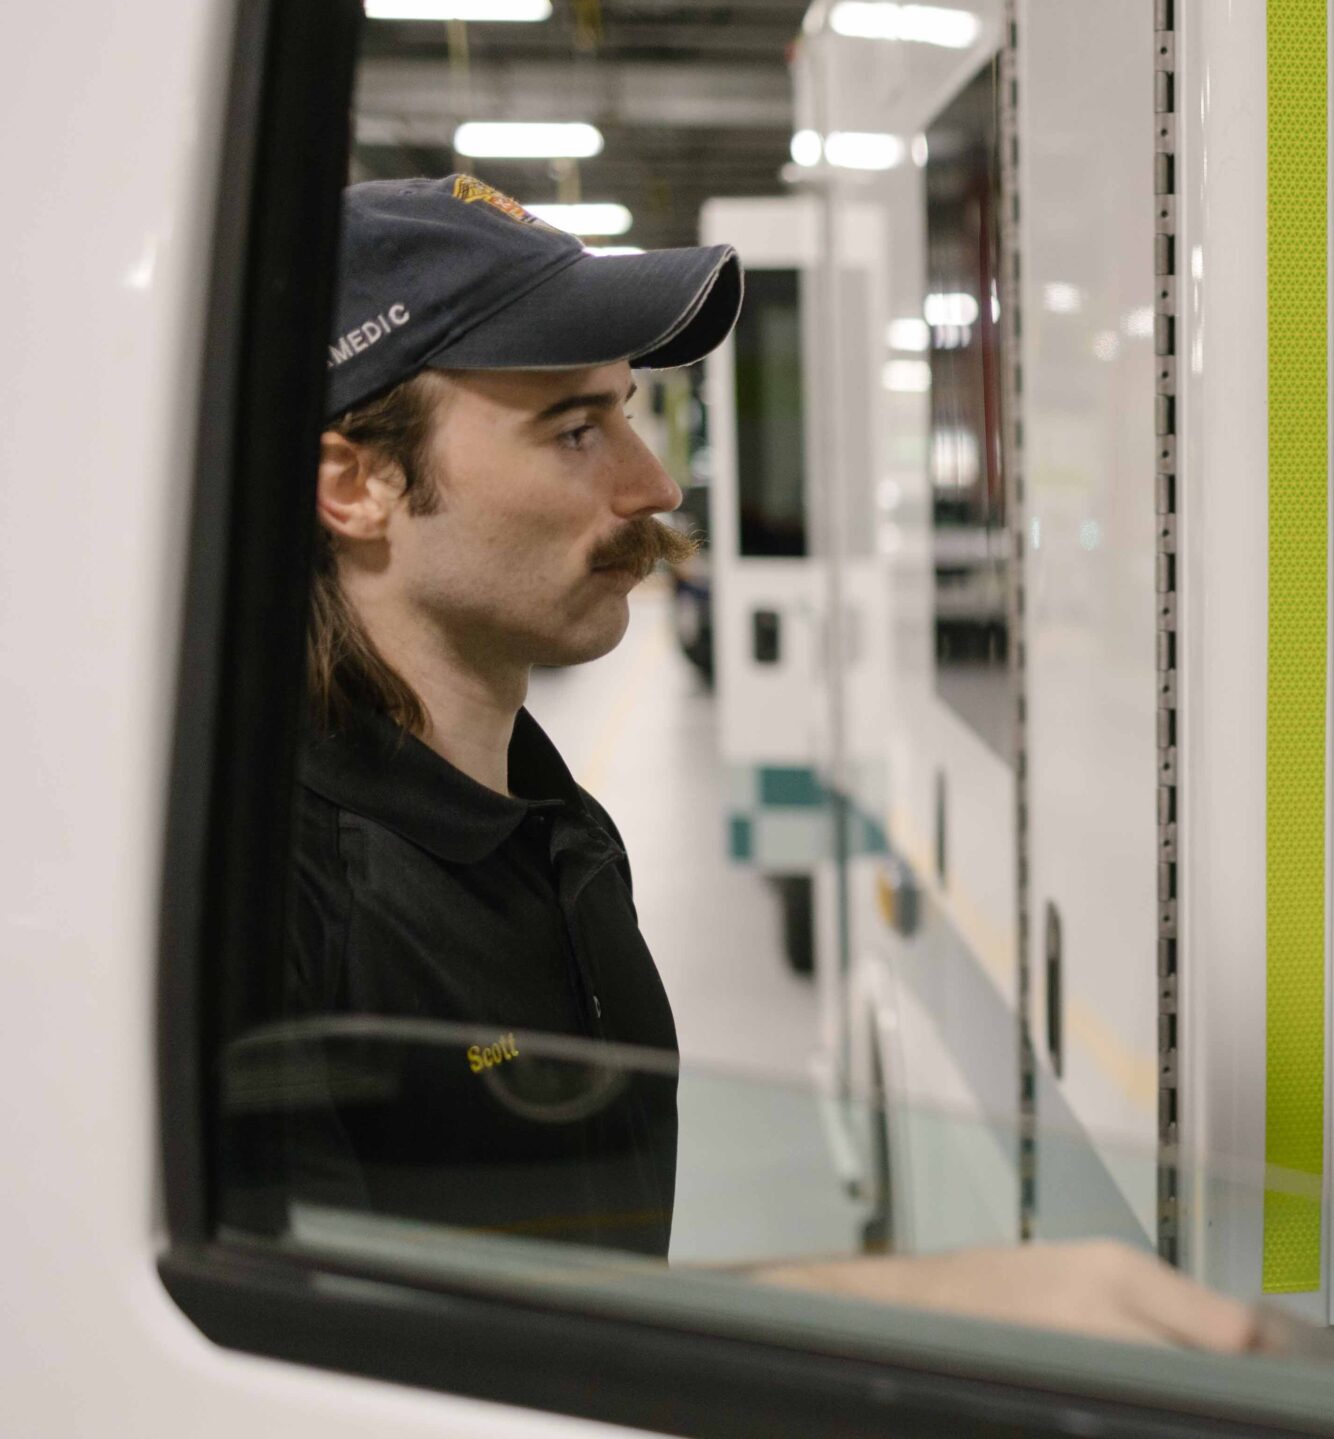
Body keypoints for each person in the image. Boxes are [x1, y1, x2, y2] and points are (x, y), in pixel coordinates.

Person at [284, 175, 1254, 1353]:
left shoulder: (549, 828)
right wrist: (909, 1312)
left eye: (628, 413)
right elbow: (336, 1382)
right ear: (354, 485)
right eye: (575, 429)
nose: (653, 484)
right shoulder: (286, 911)